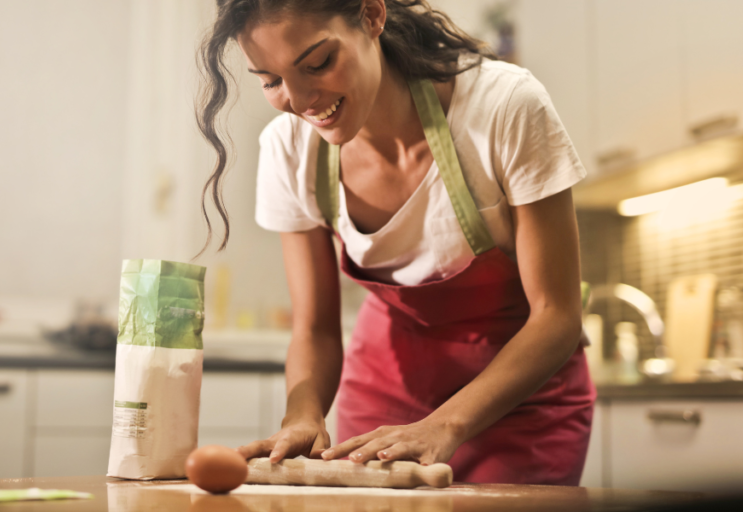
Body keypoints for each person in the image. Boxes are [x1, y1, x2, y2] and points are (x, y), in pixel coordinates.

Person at [196, 0, 595, 485]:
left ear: (371, 16)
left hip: (521, 402)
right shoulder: (289, 148)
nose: (300, 102)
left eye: (318, 63)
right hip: (385, 392)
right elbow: (316, 328)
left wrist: (443, 425)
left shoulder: (503, 107)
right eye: (271, 81)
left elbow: (557, 315)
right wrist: (302, 416)